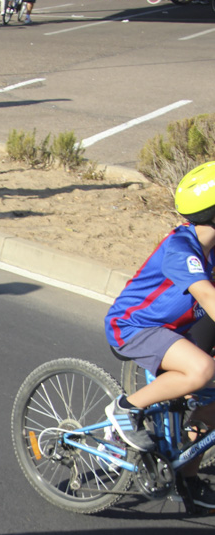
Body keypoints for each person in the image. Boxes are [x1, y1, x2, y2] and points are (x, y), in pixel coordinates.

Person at [104, 162, 215, 512]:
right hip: (135, 326)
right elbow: (209, 298)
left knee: (212, 402)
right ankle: (125, 409)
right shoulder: (182, 249)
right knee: (201, 371)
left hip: (177, 328)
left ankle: (188, 478)